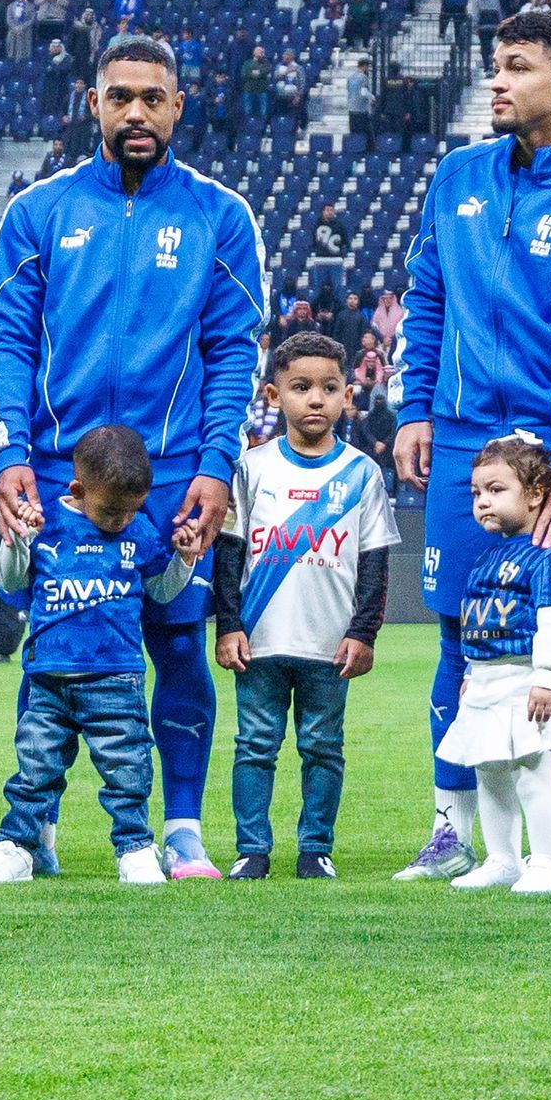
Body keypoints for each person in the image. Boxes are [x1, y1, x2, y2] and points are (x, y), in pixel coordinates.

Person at [0, 33, 270, 877]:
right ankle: (39, 826)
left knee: (177, 645)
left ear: (178, 106)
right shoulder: (39, 211)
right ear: (93, 104)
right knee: (55, 646)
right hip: (59, 472)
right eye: (120, 97)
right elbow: (4, 341)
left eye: (153, 97)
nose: (136, 113)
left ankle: (180, 826)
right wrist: (9, 455)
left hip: (173, 472)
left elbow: (233, 353)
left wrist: (218, 465)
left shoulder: (221, 215)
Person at [394, 6, 551, 883]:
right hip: (464, 441)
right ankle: (450, 829)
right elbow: (424, 297)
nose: (495, 82)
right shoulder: (456, 176)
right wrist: (414, 408)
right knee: (460, 636)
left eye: (515, 67)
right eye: (494, 66)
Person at [212, 332, 395, 880]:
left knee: (323, 746)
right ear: (273, 395)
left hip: (329, 643)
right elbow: (229, 554)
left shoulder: (363, 473)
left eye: (329, 387)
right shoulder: (250, 468)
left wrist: (364, 634)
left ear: (348, 397)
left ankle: (316, 848)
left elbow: (375, 563)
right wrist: (228, 625)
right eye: (300, 387)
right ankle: (252, 849)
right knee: (254, 746)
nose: (315, 399)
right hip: (260, 640)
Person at [0, 425, 167, 886]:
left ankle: (135, 849)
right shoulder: (45, 523)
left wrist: (186, 561)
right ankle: (18, 848)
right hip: (48, 680)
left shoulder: (142, 530)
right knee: (34, 771)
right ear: (77, 488)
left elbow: (161, 591)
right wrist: (18, 543)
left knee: (128, 768)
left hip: (118, 677)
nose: (121, 520)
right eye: (112, 510)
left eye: (131, 510)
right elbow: (10, 582)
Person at [431, 434, 551, 895]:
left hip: (527, 680)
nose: (483, 502)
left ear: (537, 493)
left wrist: (549, 678)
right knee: (490, 773)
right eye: (477, 493)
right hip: (484, 683)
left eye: (496, 490)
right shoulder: (486, 556)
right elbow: (471, 623)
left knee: (532, 773)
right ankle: (502, 859)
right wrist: (467, 675)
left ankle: (546, 864)